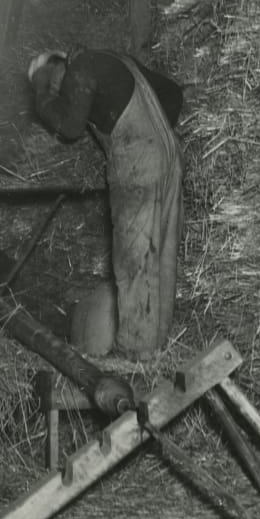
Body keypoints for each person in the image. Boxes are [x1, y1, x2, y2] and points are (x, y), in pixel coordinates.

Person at [27, 48, 184, 360]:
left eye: (50, 81)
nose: (58, 90)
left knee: (133, 258)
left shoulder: (80, 67)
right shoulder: (117, 60)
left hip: (138, 164)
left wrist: (41, 95)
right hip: (169, 157)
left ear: (58, 68)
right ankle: (157, 348)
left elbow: (69, 127)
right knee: (162, 255)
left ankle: (135, 352)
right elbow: (173, 95)